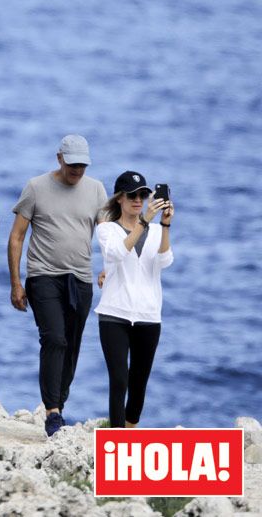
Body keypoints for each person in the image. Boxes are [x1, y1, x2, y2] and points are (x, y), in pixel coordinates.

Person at [7, 134, 108, 436]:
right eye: (73, 163)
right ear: (60, 158)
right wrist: (16, 283)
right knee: (54, 339)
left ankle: (59, 405)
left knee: (72, 344)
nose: (78, 170)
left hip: (81, 279)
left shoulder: (96, 190)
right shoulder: (36, 187)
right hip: (43, 275)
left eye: (83, 165)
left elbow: (108, 237)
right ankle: (52, 411)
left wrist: (110, 270)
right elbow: (16, 237)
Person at [95, 171, 174, 428]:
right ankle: (117, 440)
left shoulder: (152, 230)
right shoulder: (107, 229)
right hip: (114, 314)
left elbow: (164, 260)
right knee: (119, 380)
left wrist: (163, 226)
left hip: (149, 316)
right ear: (120, 198)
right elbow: (117, 252)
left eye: (143, 195)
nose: (138, 200)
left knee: (139, 381)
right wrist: (144, 221)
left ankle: (130, 433)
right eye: (132, 195)